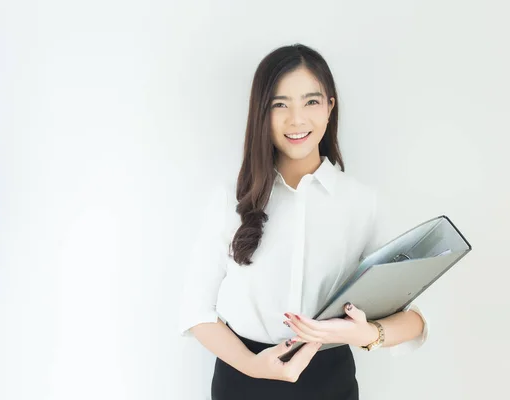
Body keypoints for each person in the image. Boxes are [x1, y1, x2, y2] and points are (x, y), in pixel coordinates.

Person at [178, 44, 429, 400]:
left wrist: (367, 335)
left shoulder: (361, 203)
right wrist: (254, 366)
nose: (296, 119)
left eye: (311, 102)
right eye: (280, 104)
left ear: (330, 106)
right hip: (242, 377)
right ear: (261, 113)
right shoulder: (231, 198)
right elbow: (196, 311)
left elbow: (415, 319)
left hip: (330, 381)